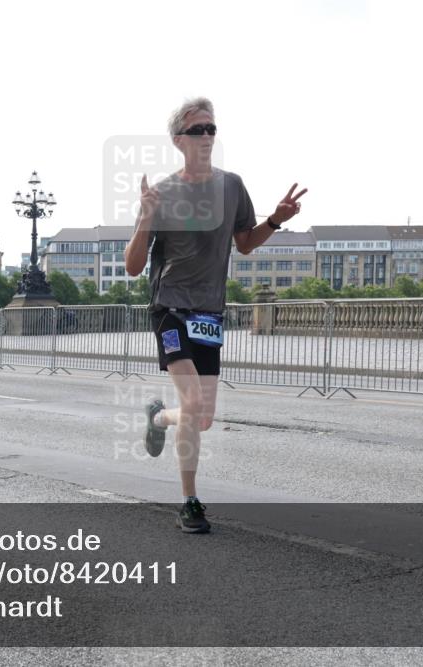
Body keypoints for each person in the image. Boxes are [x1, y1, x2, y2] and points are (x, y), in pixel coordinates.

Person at [124, 97, 307, 533]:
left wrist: (275, 221)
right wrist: (145, 218)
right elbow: (133, 266)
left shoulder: (231, 186)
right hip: (170, 307)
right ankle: (190, 503)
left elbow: (245, 242)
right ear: (178, 140)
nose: (207, 136)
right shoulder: (163, 193)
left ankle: (156, 418)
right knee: (192, 404)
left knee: (200, 417)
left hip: (209, 313)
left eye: (211, 129)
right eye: (198, 130)